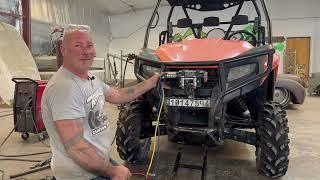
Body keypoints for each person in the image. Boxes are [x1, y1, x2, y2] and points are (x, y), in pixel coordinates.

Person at [41, 29, 162, 180]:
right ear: (63, 50)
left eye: (89, 45)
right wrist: (113, 172)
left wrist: (151, 82)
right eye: (78, 46)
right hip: (81, 173)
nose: (86, 52)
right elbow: (76, 148)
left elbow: (118, 95)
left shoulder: (90, 77)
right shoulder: (64, 88)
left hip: (96, 162)